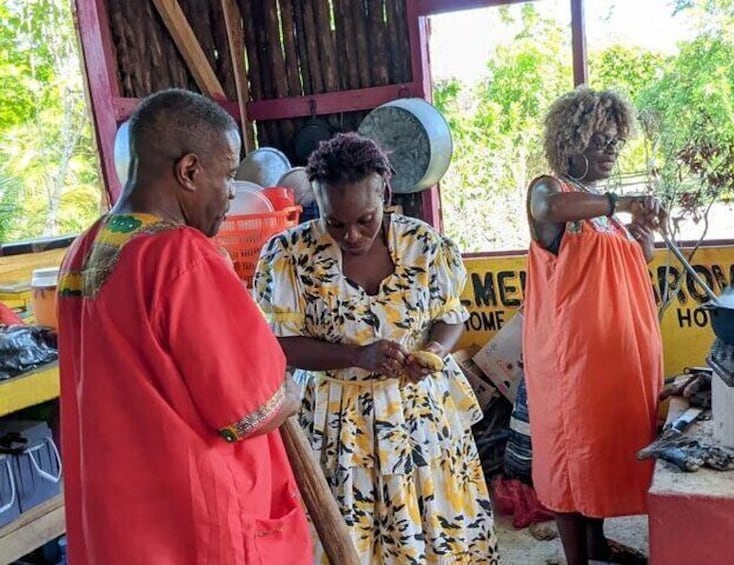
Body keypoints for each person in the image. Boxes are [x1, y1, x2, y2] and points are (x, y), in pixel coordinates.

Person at [57, 89, 312, 564]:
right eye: (229, 173)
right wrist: (292, 392)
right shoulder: (181, 255)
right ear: (189, 171)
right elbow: (252, 409)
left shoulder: (84, 248)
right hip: (197, 528)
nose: (233, 191)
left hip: (123, 528)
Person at [253, 132, 499, 564]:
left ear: (384, 193)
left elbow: (450, 314)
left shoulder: (423, 245)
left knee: (434, 527)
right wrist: (355, 356)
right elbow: (277, 343)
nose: (351, 235)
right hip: (337, 427)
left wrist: (436, 353)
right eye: (335, 222)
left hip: (422, 421)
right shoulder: (289, 255)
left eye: (365, 219)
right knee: (350, 536)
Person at [522, 87, 665, 565]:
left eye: (614, 142)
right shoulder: (553, 191)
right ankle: (576, 559)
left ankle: (598, 544)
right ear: (572, 141)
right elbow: (547, 212)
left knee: (599, 449)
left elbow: (624, 268)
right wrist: (620, 201)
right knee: (570, 450)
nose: (610, 151)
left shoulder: (604, 214)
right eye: (600, 140)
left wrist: (642, 244)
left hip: (614, 357)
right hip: (573, 359)